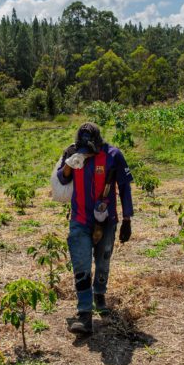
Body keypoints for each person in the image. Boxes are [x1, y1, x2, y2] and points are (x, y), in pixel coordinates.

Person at [56, 122, 134, 335]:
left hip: (106, 219)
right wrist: (71, 162)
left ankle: (99, 295)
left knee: (102, 261)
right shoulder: (72, 152)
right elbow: (63, 178)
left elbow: (125, 187)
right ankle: (84, 313)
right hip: (80, 218)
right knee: (81, 263)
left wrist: (127, 218)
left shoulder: (113, 155)